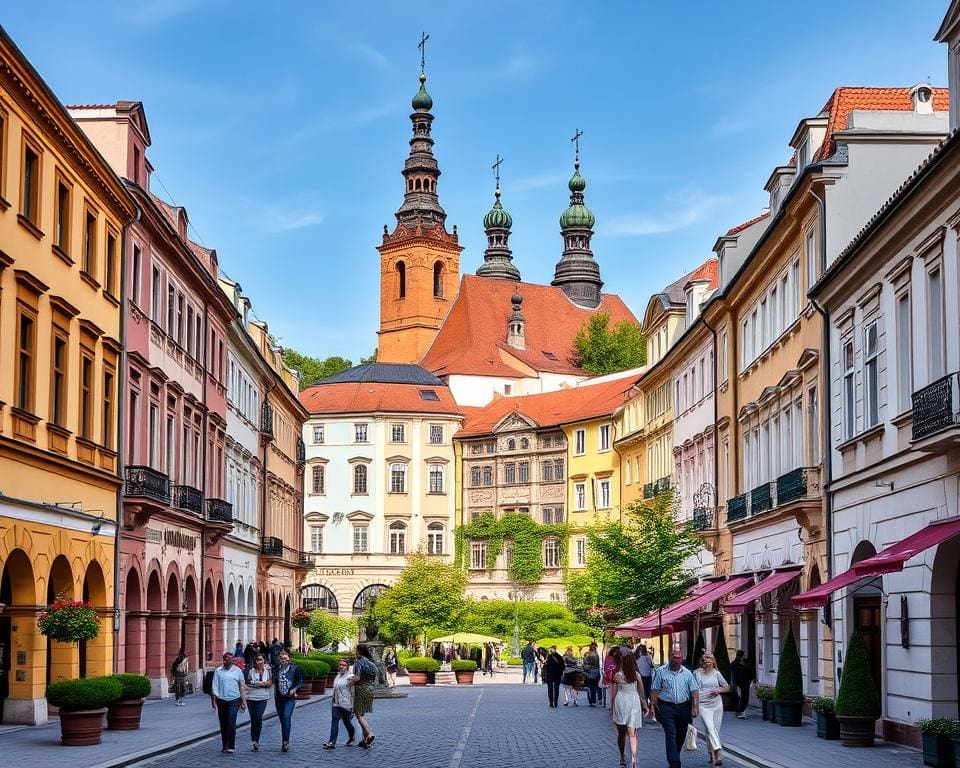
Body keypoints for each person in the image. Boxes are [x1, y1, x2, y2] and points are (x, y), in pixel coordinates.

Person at [650, 648, 700, 768]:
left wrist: (695, 707)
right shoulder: (661, 671)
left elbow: (694, 691)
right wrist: (653, 706)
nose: (676, 660)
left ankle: (675, 755)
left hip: (684, 707)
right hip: (666, 707)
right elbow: (655, 689)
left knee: (681, 734)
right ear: (670, 658)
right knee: (671, 734)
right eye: (674, 658)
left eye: (679, 658)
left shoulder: (688, 673)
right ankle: (674, 763)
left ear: (681, 659)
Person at [611, 652, 649, 768]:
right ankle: (633, 759)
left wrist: (612, 707)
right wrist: (645, 706)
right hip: (633, 702)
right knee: (632, 734)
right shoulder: (637, 675)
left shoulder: (617, 675)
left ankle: (622, 756)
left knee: (621, 733)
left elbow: (614, 693)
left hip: (621, 702)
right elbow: (642, 694)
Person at [695, 653, 730, 766]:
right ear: (702, 663)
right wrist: (694, 706)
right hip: (703, 704)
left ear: (713, 663)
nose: (708, 665)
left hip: (716, 704)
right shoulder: (697, 673)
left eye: (710, 663)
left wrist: (718, 690)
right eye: (706, 663)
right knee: (710, 729)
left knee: (714, 731)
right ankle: (718, 753)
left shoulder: (716, 673)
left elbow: (727, 687)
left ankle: (711, 752)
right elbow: (693, 689)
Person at [210, 651, 247, 754]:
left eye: (228, 659)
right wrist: (214, 699)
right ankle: (224, 745)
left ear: (232, 660)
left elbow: (242, 686)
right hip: (221, 700)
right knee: (223, 724)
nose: (226, 660)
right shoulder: (218, 671)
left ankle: (231, 745)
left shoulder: (238, 671)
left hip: (234, 700)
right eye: (225, 658)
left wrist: (244, 701)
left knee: (231, 722)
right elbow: (215, 685)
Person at [274, 650, 303, 752]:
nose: (284, 661)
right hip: (279, 698)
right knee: (283, 720)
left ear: (289, 659)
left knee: (286, 717)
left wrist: (294, 689)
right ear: (279, 660)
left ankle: (285, 742)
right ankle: (284, 740)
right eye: (282, 659)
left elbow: (300, 682)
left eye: (286, 659)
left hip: (289, 698)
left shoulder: (295, 669)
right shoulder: (276, 669)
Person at [323, 658, 356, 749]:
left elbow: (353, 691)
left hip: (346, 704)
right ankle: (332, 742)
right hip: (336, 703)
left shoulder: (350, 677)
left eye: (344, 665)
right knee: (334, 721)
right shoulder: (337, 676)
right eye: (340, 665)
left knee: (347, 723)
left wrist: (353, 705)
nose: (341, 666)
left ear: (347, 667)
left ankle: (351, 737)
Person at [246, 653, 273, 752]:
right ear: (255, 662)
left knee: (258, 717)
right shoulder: (250, 671)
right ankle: (254, 741)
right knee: (253, 719)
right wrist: (262, 684)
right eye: (257, 660)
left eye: (261, 660)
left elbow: (269, 684)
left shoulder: (267, 671)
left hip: (262, 697)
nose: (259, 662)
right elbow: (248, 683)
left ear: (264, 661)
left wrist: (259, 684)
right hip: (251, 697)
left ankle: (256, 739)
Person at [352, 644, 377, 748]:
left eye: (355, 650)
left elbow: (357, 678)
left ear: (359, 651)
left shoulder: (358, 662)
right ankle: (364, 740)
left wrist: (349, 680)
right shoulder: (372, 663)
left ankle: (370, 733)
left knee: (359, 715)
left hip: (361, 689)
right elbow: (376, 678)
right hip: (370, 690)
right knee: (362, 715)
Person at [730, 650, 755, 719]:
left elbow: (751, 671)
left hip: (744, 682)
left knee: (744, 697)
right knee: (742, 697)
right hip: (741, 683)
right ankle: (740, 711)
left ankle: (741, 711)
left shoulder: (744, 662)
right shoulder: (736, 663)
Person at [636, 645, 655, 717]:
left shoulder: (637, 658)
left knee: (641, 692)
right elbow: (652, 666)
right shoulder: (648, 657)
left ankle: (643, 708)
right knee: (647, 692)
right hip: (648, 677)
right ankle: (646, 708)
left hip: (641, 676)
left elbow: (637, 667)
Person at [583, 642, 601, 707]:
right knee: (594, 686)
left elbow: (585, 664)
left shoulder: (588, 654)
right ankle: (594, 700)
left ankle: (591, 701)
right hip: (596, 671)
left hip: (591, 672)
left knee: (590, 687)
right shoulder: (596, 654)